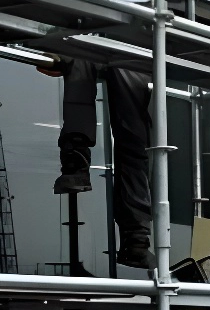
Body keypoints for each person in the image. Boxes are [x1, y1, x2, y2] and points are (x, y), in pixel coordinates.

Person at [43, 57, 153, 272]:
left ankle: (76, 159)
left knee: (133, 142)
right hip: (126, 52)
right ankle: (136, 237)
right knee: (133, 143)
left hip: (125, 52)